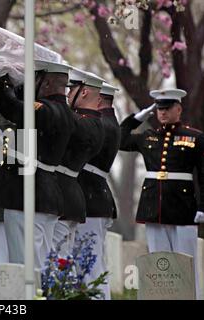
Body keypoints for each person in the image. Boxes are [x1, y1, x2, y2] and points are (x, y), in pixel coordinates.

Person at [0, 61, 75, 269]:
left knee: (24, 266)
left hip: (27, 196)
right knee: (40, 264)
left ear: (47, 83)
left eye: (36, 80)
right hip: (46, 195)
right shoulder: (66, 113)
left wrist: (2, 77)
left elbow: (11, 107)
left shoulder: (45, 110)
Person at [120, 88, 204, 299]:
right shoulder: (148, 137)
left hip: (183, 208)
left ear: (178, 109)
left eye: (167, 109)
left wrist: (203, 206)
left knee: (186, 261)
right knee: (158, 262)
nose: (162, 113)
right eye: (159, 109)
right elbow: (119, 139)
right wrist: (138, 117)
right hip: (154, 207)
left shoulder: (195, 137)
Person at [52, 69, 105, 258]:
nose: (66, 94)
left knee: (58, 258)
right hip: (68, 197)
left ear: (83, 92)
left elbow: (62, 118)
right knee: (62, 259)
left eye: (71, 89)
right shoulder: (89, 121)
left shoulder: (89, 124)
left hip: (64, 197)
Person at [75, 82, 121, 300]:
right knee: (91, 260)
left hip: (90, 199)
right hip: (94, 198)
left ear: (98, 100)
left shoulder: (102, 124)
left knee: (91, 261)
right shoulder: (109, 122)